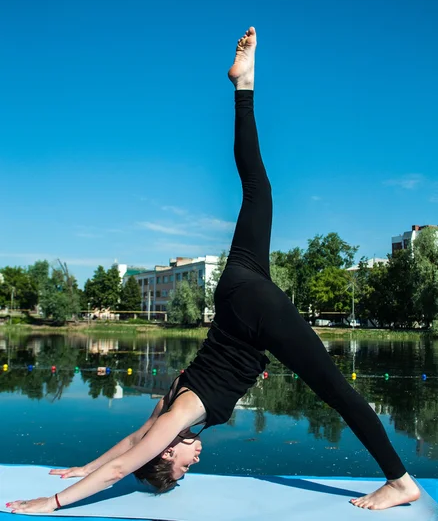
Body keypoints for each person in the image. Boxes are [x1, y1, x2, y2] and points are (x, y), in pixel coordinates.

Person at [7, 27, 420, 514]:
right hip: (236, 293)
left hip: (255, 316)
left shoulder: (175, 419)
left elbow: (126, 463)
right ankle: (244, 88)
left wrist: (53, 501)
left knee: (338, 392)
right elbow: (130, 442)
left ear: (167, 450)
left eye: (182, 466)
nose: (193, 460)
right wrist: (85, 466)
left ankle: (400, 482)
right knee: (257, 190)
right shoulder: (169, 407)